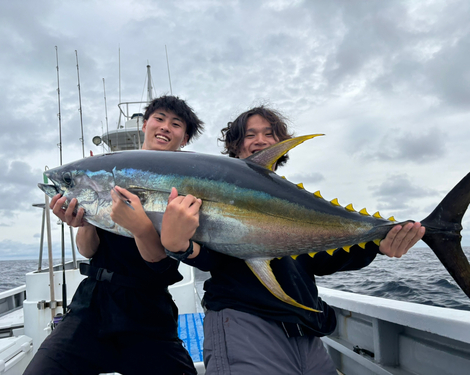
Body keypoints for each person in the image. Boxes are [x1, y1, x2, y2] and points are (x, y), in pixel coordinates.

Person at [159, 106, 425, 375]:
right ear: (236, 146)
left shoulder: (298, 204)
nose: (260, 140)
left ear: (279, 145)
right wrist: (180, 246)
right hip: (245, 324)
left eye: (269, 134)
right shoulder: (212, 191)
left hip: (306, 333)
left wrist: (377, 245)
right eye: (250, 135)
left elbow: (321, 260)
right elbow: (208, 254)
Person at [24, 95, 204, 375]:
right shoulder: (108, 174)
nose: (165, 127)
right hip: (92, 305)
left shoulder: (184, 186)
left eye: (176, 123)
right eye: (159, 118)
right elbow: (87, 249)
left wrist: (138, 225)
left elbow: (159, 263)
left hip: (149, 311)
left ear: (185, 138)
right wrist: (85, 219)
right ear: (145, 125)